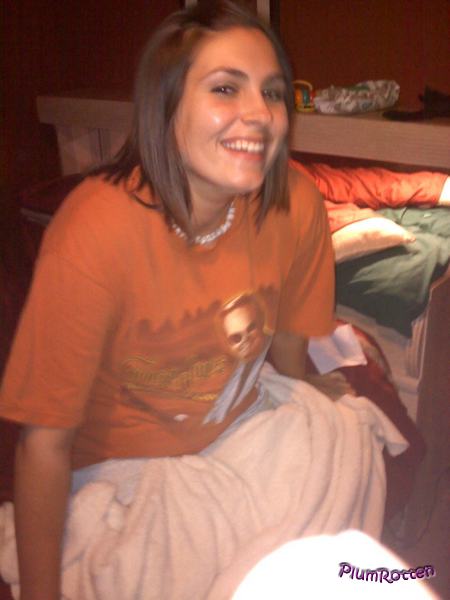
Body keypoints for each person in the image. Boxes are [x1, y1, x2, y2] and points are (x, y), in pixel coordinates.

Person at [0, 1, 335, 598]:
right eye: (226, 88)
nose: (261, 114)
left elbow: (289, 343)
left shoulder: (297, 203)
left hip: (242, 434)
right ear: (166, 104)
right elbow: (43, 443)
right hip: (125, 472)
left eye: (273, 92)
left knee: (343, 440)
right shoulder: (94, 230)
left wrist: (312, 392)